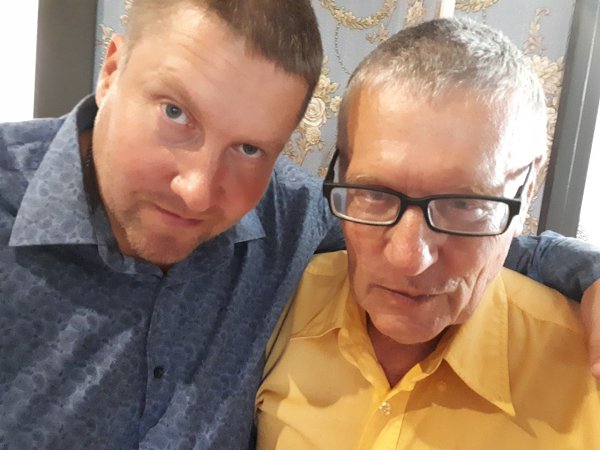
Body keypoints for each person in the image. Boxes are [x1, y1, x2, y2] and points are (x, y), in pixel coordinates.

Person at [0, 1, 598, 448]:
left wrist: (591, 272)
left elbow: (492, 237)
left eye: (250, 148)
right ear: (111, 70)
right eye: (175, 113)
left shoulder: (289, 215)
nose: (198, 191)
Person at [256, 18, 600, 449]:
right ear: (341, 171)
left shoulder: (586, 381)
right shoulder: (272, 309)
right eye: (375, 194)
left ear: (527, 190)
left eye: (464, 205)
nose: (408, 258)